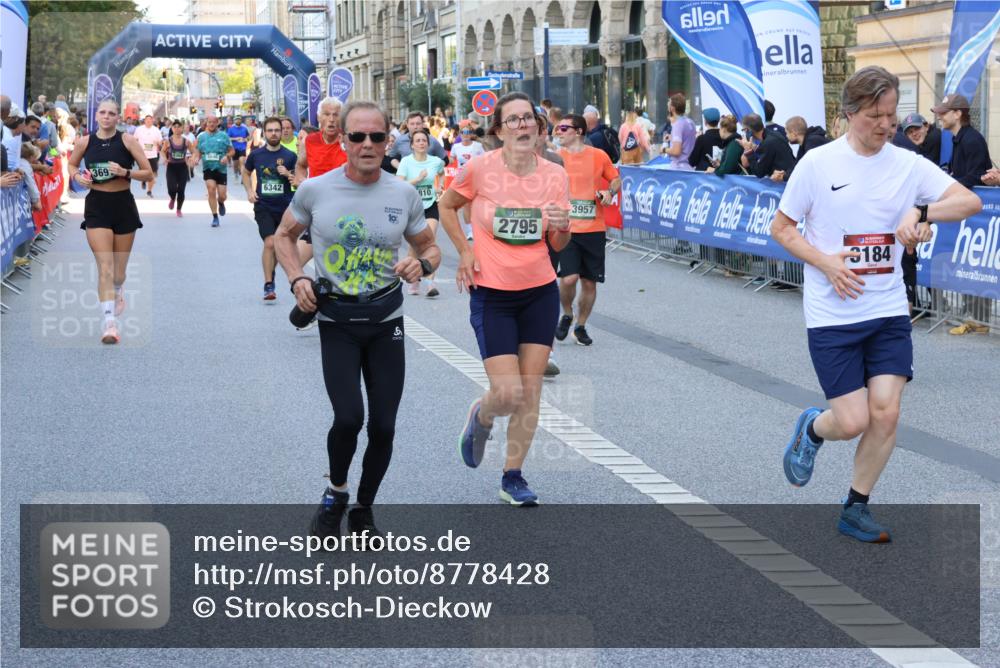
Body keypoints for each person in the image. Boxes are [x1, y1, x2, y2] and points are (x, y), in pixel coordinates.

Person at [771, 66, 982, 543]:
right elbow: (781, 228)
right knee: (852, 420)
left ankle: (855, 507)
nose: (886, 125)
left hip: (886, 310)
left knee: (886, 413)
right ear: (849, 115)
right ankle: (813, 430)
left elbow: (968, 202)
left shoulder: (907, 164)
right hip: (832, 314)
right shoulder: (819, 164)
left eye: (890, 115)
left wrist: (922, 213)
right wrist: (826, 262)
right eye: (875, 116)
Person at [274, 100, 441, 538]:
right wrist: (296, 279)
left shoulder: (402, 193)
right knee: (349, 417)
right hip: (337, 320)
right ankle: (336, 493)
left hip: (386, 318)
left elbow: (430, 248)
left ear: (389, 140)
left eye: (377, 136)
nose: (367, 144)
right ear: (342, 140)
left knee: (383, 425)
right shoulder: (316, 189)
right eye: (357, 136)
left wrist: (421, 266)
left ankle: (364, 507)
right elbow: (283, 236)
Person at [438, 92, 572, 506]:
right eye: (511, 121)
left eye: (527, 119)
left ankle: (512, 476)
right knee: (508, 392)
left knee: (529, 391)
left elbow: (557, 241)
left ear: (538, 126)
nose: (521, 126)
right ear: (498, 131)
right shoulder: (479, 169)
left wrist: (563, 226)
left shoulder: (555, 175)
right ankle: (481, 415)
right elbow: (446, 206)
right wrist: (465, 249)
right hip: (492, 292)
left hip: (539, 291)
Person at [67, 99, 153, 345]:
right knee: (104, 267)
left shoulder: (128, 141)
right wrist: (75, 175)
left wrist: (124, 172)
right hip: (97, 207)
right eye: (102, 113)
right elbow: (72, 163)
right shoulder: (85, 141)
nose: (106, 116)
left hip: (123, 205)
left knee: (118, 272)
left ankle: (117, 290)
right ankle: (109, 324)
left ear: (118, 118)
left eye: (111, 113)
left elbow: (148, 172)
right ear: (97, 117)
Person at [552, 113, 620, 347]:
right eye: (557, 128)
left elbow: (615, 179)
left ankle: (580, 325)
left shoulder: (598, 156)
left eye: (563, 128)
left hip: (594, 228)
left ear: (579, 131)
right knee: (569, 278)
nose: (558, 132)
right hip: (566, 227)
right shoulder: (555, 157)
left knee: (589, 283)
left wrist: (610, 192)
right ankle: (567, 313)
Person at [932, 93, 993, 335]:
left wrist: (950, 188)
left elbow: (977, 176)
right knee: (968, 262)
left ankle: (979, 319)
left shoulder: (972, 140)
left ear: (958, 114)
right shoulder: (959, 139)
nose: (939, 117)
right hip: (968, 208)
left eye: (944, 112)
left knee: (976, 262)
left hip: (977, 211)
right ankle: (974, 317)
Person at [243, 117, 297, 302]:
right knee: (270, 243)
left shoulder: (290, 156)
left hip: (285, 207)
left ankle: (271, 274)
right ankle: (269, 284)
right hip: (263, 206)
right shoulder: (256, 155)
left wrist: (288, 174)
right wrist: (250, 190)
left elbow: (298, 181)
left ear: (282, 132)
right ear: (264, 133)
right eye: (270, 130)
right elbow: (246, 171)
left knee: (280, 245)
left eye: (277, 130)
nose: (274, 133)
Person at [294, 98, 348, 270]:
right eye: (327, 114)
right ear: (319, 117)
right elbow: (301, 165)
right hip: (317, 207)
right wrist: (302, 181)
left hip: (344, 209)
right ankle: (306, 291)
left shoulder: (351, 141)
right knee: (295, 263)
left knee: (336, 264)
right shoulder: (309, 141)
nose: (331, 119)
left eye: (336, 115)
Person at [397, 128, 446, 297]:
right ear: (412, 145)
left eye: (424, 140)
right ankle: (414, 279)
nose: (421, 143)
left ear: (428, 143)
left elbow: (442, 172)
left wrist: (440, 186)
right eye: (417, 141)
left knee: (429, 240)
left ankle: (430, 283)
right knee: (416, 244)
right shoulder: (406, 162)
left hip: (430, 205)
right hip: (412, 207)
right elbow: (399, 185)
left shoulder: (435, 161)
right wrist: (417, 179)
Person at [190, 113, 234, 227]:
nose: (211, 124)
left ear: (217, 123)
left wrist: (227, 156)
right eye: (209, 122)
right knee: (211, 189)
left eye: (214, 122)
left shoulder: (224, 136)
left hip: (221, 169)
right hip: (208, 168)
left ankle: (221, 202)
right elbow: (197, 151)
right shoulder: (201, 136)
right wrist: (196, 158)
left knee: (222, 195)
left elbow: (231, 151)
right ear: (206, 123)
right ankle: (215, 217)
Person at [739, 113, 795, 181]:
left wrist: (748, 151)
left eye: (743, 130)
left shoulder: (767, 143)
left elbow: (759, 172)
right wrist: (755, 148)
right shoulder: (775, 135)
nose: (744, 133)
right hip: (791, 175)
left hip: (784, 182)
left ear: (748, 130)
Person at [161, 120, 194, 217]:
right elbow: (162, 151)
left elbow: (194, 151)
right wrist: (164, 158)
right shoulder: (168, 141)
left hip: (182, 167)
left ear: (182, 128)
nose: (176, 128)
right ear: (172, 129)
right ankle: (172, 198)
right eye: (174, 127)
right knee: (171, 188)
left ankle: (179, 209)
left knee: (181, 190)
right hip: (171, 167)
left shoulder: (186, 141)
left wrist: (192, 158)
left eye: (178, 127)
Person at [662, 94, 695, 171]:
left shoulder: (678, 124)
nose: (667, 107)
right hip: (688, 167)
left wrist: (663, 150)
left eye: (669, 104)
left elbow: (676, 151)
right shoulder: (690, 122)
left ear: (672, 108)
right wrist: (672, 137)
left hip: (678, 169)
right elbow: (687, 139)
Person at [133, 115, 162, 198]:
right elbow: (134, 140)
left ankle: (149, 191)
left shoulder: (156, 130)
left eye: (150, 120)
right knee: (143, 172)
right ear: (144, 121)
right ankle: (143, 180)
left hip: (153, 155)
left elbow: (160, 142)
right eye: (147, 120)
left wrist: (158, 142)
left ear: (152, 121)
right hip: (142, 155)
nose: (149, 121)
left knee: (153, 174)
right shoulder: (139, 129)